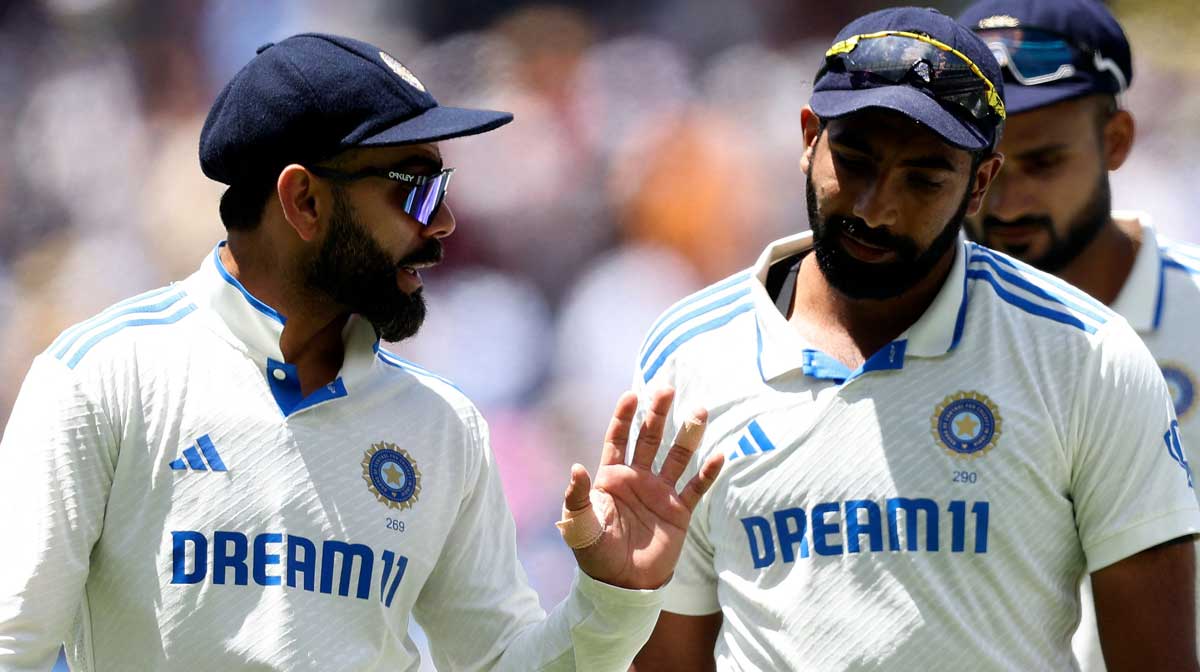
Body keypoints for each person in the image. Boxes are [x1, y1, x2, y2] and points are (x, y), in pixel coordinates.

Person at [0, 33, 723, 671]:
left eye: (444, 185)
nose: (442, 222)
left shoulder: (443, 425)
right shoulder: (104, 377)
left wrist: (612, 599)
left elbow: (499, 663)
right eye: (413, 187)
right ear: (304, 201)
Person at [627, 7, 1199, 671]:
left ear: (980, 183)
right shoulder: (691, 354)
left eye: (924, 179)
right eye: (854, 160)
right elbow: (669, 655)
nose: (875, 208)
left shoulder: (1088, 352)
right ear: (808, 136)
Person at [957, 0, 1200, 668]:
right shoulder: (908, 327)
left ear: (1116, 142)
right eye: (987, 167)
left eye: (1043, 162)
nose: (1005, 203)